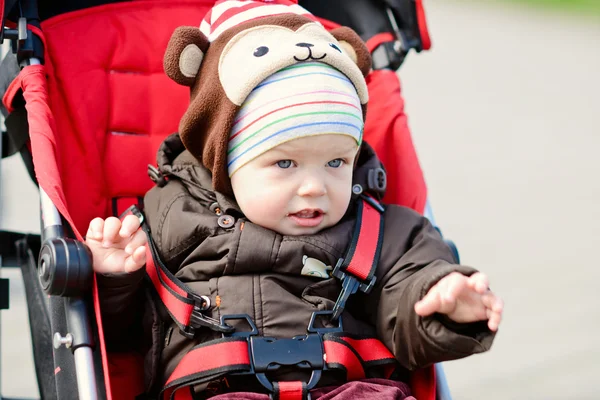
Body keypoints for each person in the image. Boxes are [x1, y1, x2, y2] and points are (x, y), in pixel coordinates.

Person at [86, 1, 503, 399]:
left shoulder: (382, 229)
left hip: (352, 385)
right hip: (220, 386)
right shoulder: (170, 217)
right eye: (285, 163)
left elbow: (408, 294)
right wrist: (114, 279)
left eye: (336, 161)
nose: (314, 187)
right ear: (224, 161)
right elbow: (127, 336)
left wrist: (443, 302)